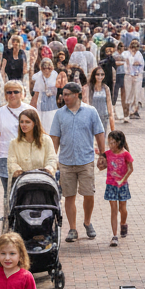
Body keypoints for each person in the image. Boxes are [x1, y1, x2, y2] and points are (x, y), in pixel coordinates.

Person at [49, 81, 107, 243]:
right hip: (66, 162)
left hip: (86, 160)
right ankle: (73, 228)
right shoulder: (60, 114)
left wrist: (103, 154)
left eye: (67, 94)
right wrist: (52, 160)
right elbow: (55, 138)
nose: (64, 97)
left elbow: (99, 133)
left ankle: (87, 222)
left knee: (88, 194)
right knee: (69, 196)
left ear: (77, 95)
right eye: (63, 94)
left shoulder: (90, 111)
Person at [0, 82, 34, 200]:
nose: (12, 95)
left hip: (27, 156)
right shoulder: (0, 113)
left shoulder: (30, 111)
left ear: (21, 94)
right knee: (9, 192)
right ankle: (8, 216)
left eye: (16, 92)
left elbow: (39, 135)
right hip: (5, 157)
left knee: (26, 190)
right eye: (9, 92)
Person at [6, 108, 59, 203]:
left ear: (34, 123)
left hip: (43, 184)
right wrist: (17, 170)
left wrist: (48, 169)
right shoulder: (14, 143)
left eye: (27, 122)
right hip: (22, 186)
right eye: (21, 122)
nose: (24, 125)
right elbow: (11, 162)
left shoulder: (46, 140)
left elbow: (52, 159)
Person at [98, 130, 134, 246]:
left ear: (119, 142)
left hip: (122, 186)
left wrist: (123, 180)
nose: (110, 145)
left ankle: (123, 223)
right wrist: (101, 161)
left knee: (122, 209)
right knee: (113, 209)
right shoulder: (107, 154)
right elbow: (101, 167)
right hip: (110, 185)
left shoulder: (125, 154)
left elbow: (130, 169)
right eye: (109, 142)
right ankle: (114, 236)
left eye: (113, 142)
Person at [30, 57, 60, 133]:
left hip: (54, 105)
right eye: (44, 68)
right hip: (43, 106)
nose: (46, 69)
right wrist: (32, 108)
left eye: (48, 67)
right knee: (44, 126)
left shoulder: (55, 75)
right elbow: (36, 95)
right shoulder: (39, 78)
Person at [85, 66, 116, 134]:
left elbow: (109, 105)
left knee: (102, 140)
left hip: (104, 117)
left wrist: (112, 127)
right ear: (94, 75)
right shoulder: (88, 88)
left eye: (102, 74)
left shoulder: (105, 88)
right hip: (92, 118)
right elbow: (86, 104)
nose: (100, 76)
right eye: (97, 74)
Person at [123, 40, 145, 119]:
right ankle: (127, 111)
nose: (134, 50)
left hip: (137, 75)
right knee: (128, 93)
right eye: (133, 48)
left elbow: (141, 64)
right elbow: (126, 63)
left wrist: (137, 65)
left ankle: (135, 110)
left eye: (136, 48)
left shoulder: (139, 54)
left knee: (137, 92)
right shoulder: (126, 53)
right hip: (128, 76)